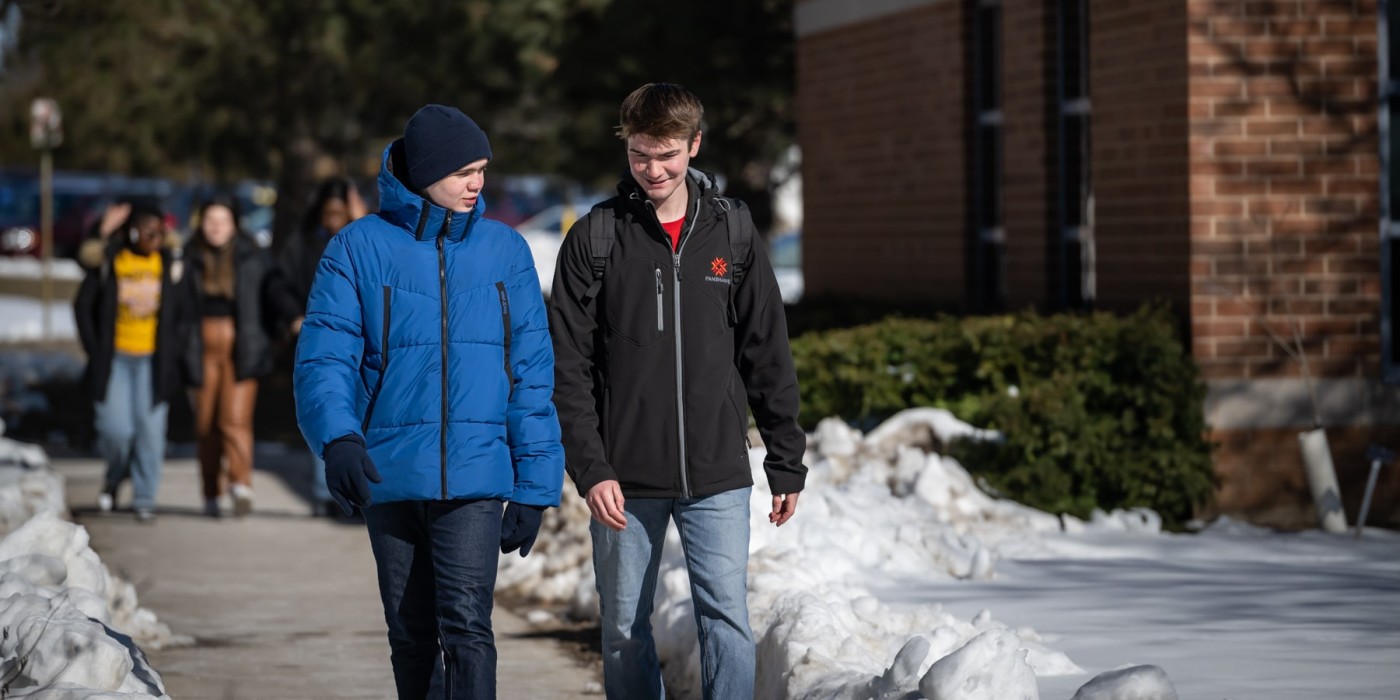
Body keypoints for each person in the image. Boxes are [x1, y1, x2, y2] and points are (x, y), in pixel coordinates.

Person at [293, 104, 564, 699]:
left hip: (475, 472)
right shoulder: (357, 248)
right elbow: (325, 359)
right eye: (464, 171)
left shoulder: (506, 252)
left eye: (483, 170)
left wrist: (535, 483)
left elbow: (530, 374)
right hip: (387, 471)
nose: (478, 185)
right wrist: (338, 438)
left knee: (467, 628)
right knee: (410, 633)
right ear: (423, 173)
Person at [548, 83, 808, 699]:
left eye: (666, 154)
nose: (653, 169)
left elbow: (766, 351)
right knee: (621, 629)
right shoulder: (596, 237)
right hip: (623, 478)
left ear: (694, 146)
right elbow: (568, 367)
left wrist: (785, 459)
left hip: (717, 469)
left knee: (727, 623)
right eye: (640, 154)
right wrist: (591, 468)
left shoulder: (733, 233)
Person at [73, 202, 200, 523]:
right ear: (131, 232)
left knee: (151, 431)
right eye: (145, 230)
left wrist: (176, 350)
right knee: (116, 431)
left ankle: (144, 497)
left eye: (158, 231)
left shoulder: (172, 264)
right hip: (115, 359)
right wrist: (95, 347)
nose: (152, 237)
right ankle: (115, 478)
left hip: (154, 363)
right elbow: (83, 305)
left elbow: (186, 313)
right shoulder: (111, 261)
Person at [266, 177, 366, 516]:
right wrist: (295, 316)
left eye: (341, 213)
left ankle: (358, 490)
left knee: (360, 414)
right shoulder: (305, 242)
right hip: (321, 336)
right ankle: (326, 494)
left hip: (362, 341)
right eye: (329, 213)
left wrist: (360, 217)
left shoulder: (363, 238)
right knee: (325, 406)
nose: (334, 219)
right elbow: (278, 282)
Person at [186, 194, 277, 518]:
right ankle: (211, 491)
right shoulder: (189, 255)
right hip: (200, 344)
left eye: (222, 221)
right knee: (206, 424)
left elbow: (272, 293)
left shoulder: (253, 256)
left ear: (235, 224)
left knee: (234, 419)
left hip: (242, 343)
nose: (215, 228)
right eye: (210, 221)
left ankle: (240, 485)